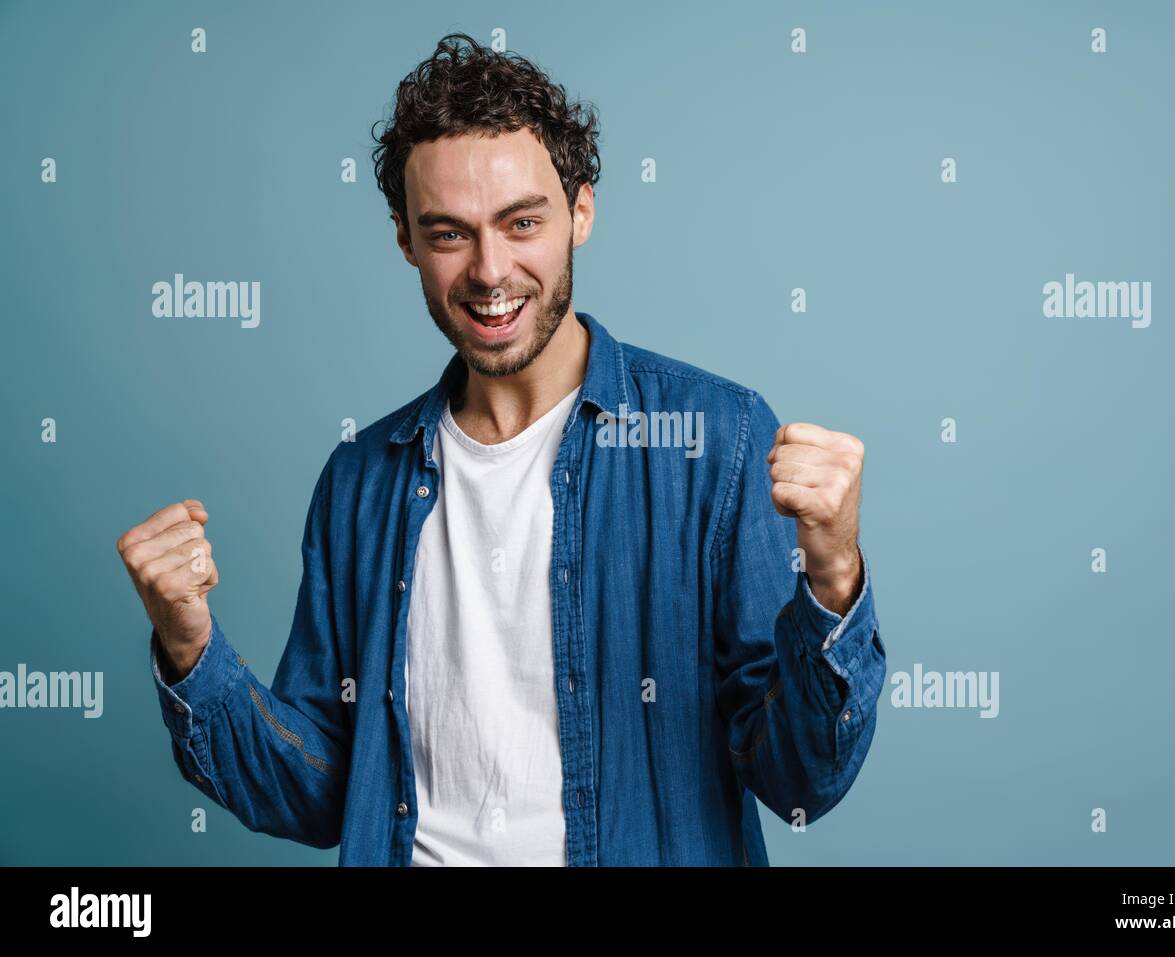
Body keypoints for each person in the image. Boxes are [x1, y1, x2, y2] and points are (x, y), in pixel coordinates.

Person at [116, 33, 886, 866]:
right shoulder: (359, 483)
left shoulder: (717, 438)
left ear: (580, 212)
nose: (489, 271)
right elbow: (319, 789)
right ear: (406, 239)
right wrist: (191, 647)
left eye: (522, 222)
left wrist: (835, 574)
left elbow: (801, 781)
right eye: (448, 233)